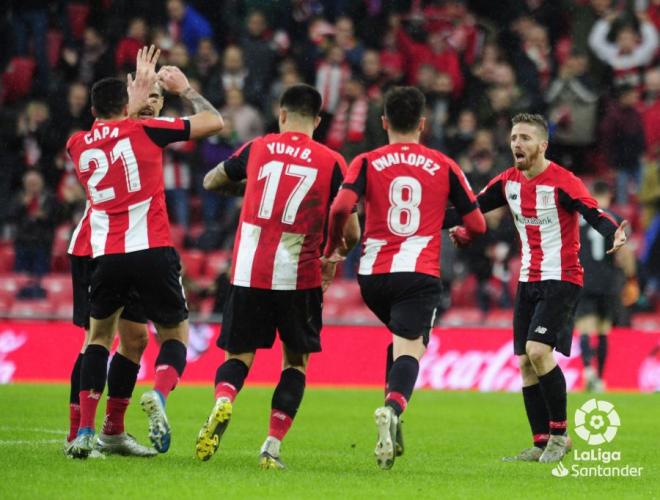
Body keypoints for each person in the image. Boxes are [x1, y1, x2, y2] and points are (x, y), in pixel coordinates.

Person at [65, 46, 224, 459]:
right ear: (130, 104)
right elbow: (214, 122)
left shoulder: (77, 144)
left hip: (107, 257)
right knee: (175, 337)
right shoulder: (147, 131)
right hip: (151, 251)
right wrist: (184, 89)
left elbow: (106, 131)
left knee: (108, 339)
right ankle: (158, 394)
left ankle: (93, 432)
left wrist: (130, 106)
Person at [196, 83, 360, 469]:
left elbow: (210, 181)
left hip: (248, 270)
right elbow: (351, 230)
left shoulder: (258, 147)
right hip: (298, 277)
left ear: (281, 114)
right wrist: (336, 254)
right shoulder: (333, 161)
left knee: (239, 355)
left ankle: (223, 400)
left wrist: (250, 190)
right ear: (317, 121)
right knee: (294, 363)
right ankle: (270, 446)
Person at [447, 113, 628, 463]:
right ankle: (541, 440)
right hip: (528, 279)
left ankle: (561, 435)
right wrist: (430, 222)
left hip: (562, 277)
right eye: (514, 137)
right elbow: (470, 209)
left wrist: (614, 232)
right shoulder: (507, 182)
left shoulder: (563, 181)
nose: (518, 143)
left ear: (543, 145)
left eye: (526, 138)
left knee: (538, 351)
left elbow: (592, 212)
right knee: (524, 362)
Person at [323, 86, 486, 470]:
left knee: (398, 345)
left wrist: (333, 249)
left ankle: (393, 423)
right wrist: (462, 234)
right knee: (412, 349)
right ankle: (393, 408)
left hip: (373, 278)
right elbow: (476, 222)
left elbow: (342, 206)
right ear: (423, 124)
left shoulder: (365, 160)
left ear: (384, 122)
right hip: (418, 274)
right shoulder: (444, 164)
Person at [64, 61, 169, 458]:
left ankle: (113, 431)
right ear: (129, 102)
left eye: (157, 98)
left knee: (137, 339)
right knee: (94, 340)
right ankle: (78, 432)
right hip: (96, 245)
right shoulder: (119, 133)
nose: (150, 103)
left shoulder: (148, 132)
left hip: (137, 248)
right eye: (145, 96)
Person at [576, 181, 636, 392]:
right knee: (602, 330)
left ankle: (587, 369)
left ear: (592, 194)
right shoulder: (615, 218)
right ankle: (600, 378)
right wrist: (631, 278)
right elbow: (625, 255)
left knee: (584, 327)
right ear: (609, 195)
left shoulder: (581, 218)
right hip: (609, 282)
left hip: (584, 279)